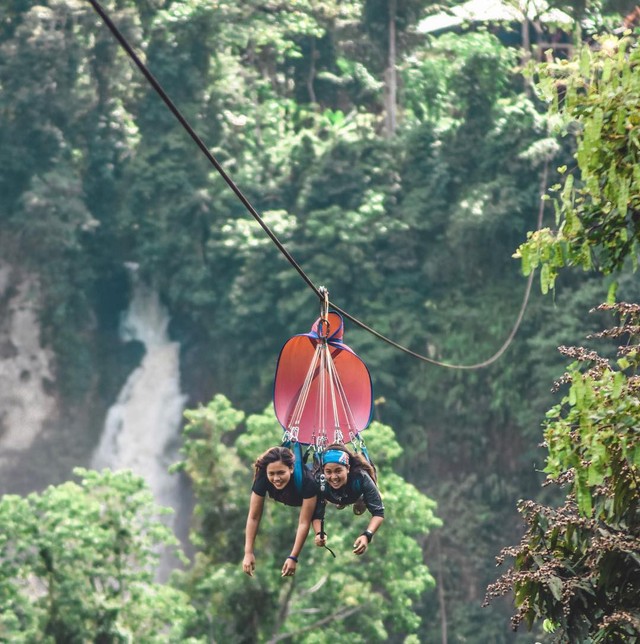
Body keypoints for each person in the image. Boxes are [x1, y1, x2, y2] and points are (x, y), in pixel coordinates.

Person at [243, 446, 318, 578]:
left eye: (280, 473)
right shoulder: (263, 478)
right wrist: (248, 552)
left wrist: (293, 557)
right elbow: (253, 517)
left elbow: (304, 522)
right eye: (271, 474)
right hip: (290, 496)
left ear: (291, 468)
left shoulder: (307, 481)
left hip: (316, 493)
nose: (276, 478)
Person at [312, 443, 384, 555]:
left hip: (355, 494)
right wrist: (318, 533)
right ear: (323, 471)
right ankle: (341, 500)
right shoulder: (319, 480)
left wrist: (367, 535)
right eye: (329, 472)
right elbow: (316, 515)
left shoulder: (361, 477)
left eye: (338, 471)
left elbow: (378, 512)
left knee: (369, 493)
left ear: (348, 468)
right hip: (333, 496)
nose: (334, 477)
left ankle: (358, 500)